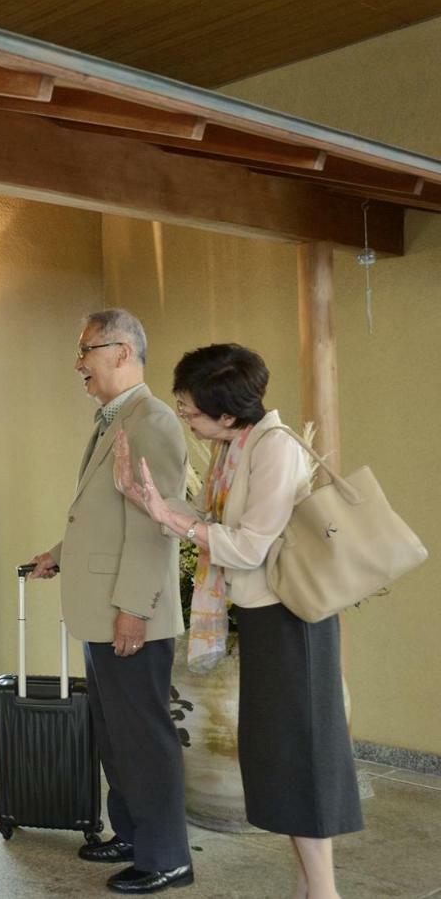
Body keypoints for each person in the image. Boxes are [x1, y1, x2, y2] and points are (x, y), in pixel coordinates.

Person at [114, 343, 362, 899]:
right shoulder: (236, 446)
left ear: (227, 414)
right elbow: (209, 520)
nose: (185, 418)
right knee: (281, 756)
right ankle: (309, 887)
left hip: (294, 621)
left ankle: (324, 893)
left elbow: (249, 546)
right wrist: (155, 503)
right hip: (266, 617)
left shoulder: (273, 449)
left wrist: (173, 523)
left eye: (191, 411)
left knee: (301, 758)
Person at [27, 309, 192, 895]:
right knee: (116, 732)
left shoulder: (152, 422)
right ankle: (131, 833)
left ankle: (167, 855)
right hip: (105, 608)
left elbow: (154, 525)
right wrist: (58, 553)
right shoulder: (114, 419)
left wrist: (134, 607)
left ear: (122, 352)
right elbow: (103, 518)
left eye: (87, 350)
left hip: (130, 614)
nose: (79, 363)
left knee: (143, 735)